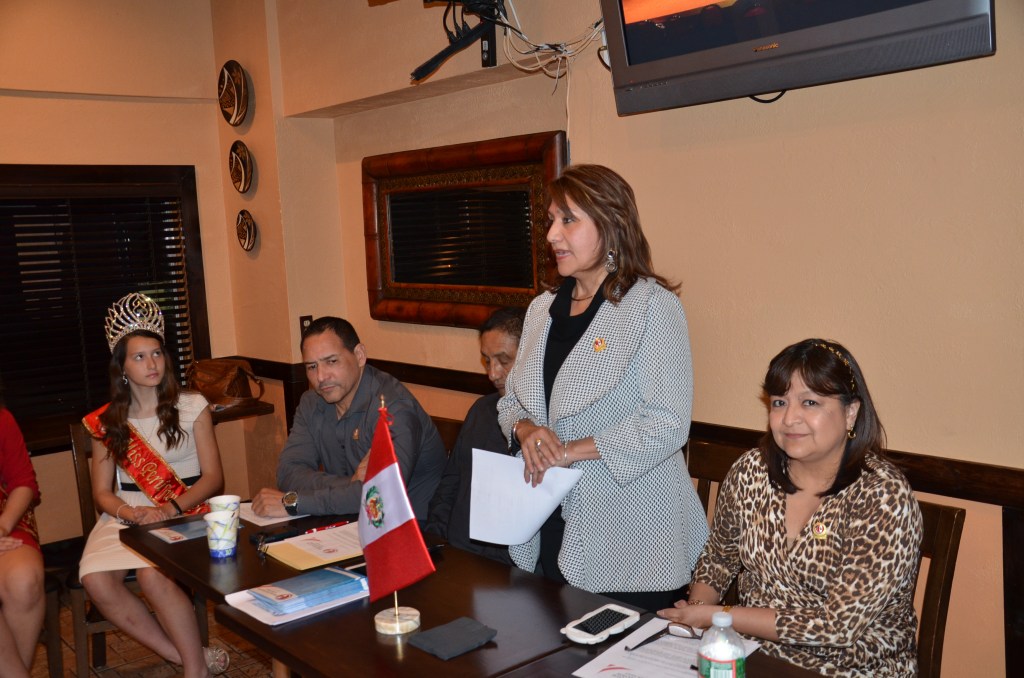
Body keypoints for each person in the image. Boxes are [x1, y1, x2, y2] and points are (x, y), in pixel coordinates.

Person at [498, 164, 708, 611]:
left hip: (632, 535)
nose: (553, 234)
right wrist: (525, 431)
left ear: (611, 225)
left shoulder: (653, 307)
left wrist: (567, 450)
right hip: (548, 524)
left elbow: (668, 424)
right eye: (551, 220)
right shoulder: (539, 311)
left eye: (568, 220)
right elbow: (512, 400)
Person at [661, 339, 922, 676]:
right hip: (755, 657)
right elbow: (719, 557)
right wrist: (694, 614)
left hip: (851, 668)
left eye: (810, 402)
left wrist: (718, 616)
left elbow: (836, 627)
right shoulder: (751, 470)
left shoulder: (883, 495)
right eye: (779, 402)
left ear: (851, 412)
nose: (789, 418)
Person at [79, 293, 228, 678]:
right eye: (139, 356)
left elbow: (213, 478)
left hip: (184, 510)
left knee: (151, 574)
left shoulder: (193, 406)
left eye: (157, 353)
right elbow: (102, 493)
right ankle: (187, 655)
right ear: (122, 368)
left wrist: (167, 509)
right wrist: (130, 513)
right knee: (95, 580)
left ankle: (194, 670)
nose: (152, 363)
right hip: (126, 514)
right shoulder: (106, 421)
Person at [252, 316, 446, 520]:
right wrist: (351, 485)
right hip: (346, 526)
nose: (320, 377)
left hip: (411, 534)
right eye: (311, 367)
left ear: (360, 355)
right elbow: (288, 473)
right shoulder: (311, 403)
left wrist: (296, 503)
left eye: (331, 361)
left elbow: (379, 497)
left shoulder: (392, 409)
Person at [424, 307, 525, 564]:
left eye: (503, 360)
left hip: (509, 566)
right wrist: (436, 539)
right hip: (457, 551)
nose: (492, 373)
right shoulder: (482, 410)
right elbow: (451, 482)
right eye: (487, 360)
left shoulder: (544, 423)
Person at [0, 381, 44, 678]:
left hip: (6, 521)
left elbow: (23, 483)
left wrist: (2, 526)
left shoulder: (2, 419)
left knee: (24, 580)